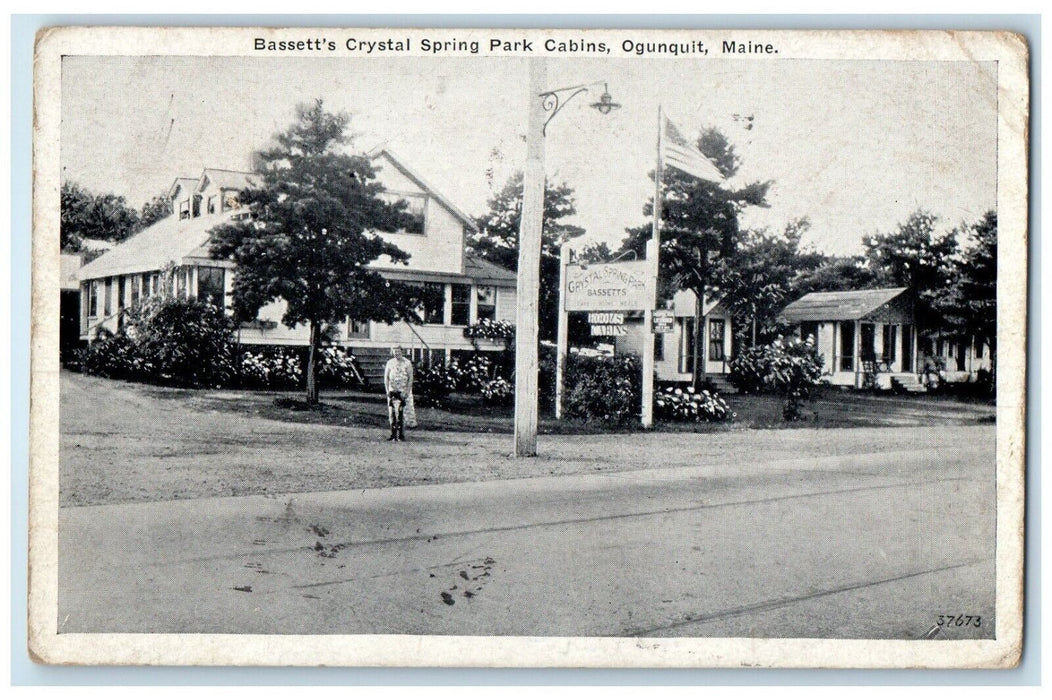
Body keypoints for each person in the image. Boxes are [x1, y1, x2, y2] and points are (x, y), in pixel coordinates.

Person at [383, 346, 414, 442]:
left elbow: (410, 378)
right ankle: (393, 434)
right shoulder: (390, 362)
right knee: (392, 413)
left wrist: (407, 392)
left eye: (398, 352)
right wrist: (387, 391)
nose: (397, 354)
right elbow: (386, 378)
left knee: (401, 413)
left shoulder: (407, 363)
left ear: (402, 352)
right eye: (395, 352)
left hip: (403, 391)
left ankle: (401, 435)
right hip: (392, 391)